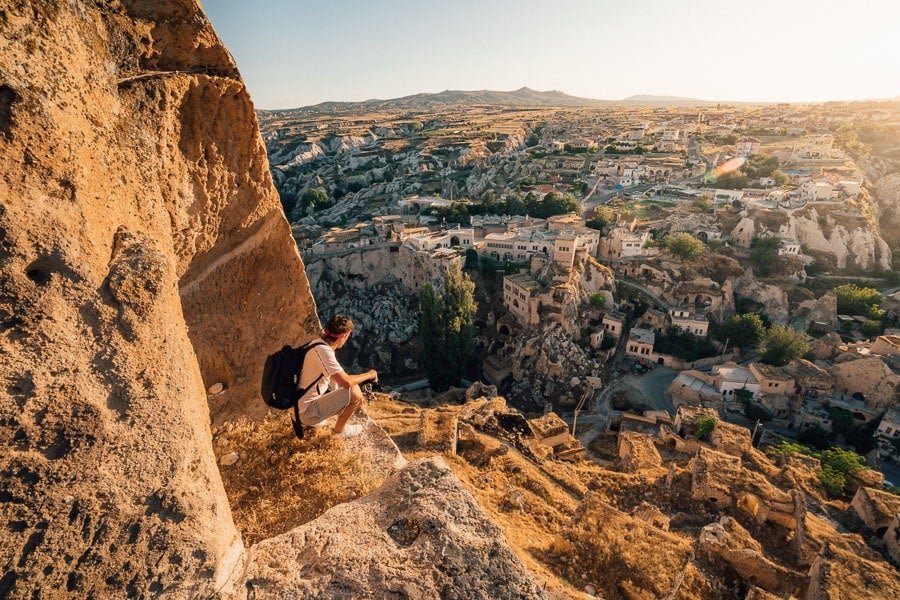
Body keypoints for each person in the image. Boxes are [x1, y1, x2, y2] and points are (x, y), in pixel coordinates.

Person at [297, 314, 377, 437]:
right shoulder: (324, 352)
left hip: (298, 406)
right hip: (305, 412)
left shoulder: (316, 344)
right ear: (344, 335)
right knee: (354, 391)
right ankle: (339, 431)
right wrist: (370, 374)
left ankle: (315, 419)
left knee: (349, 390)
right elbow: (346, 382)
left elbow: (336, 379)